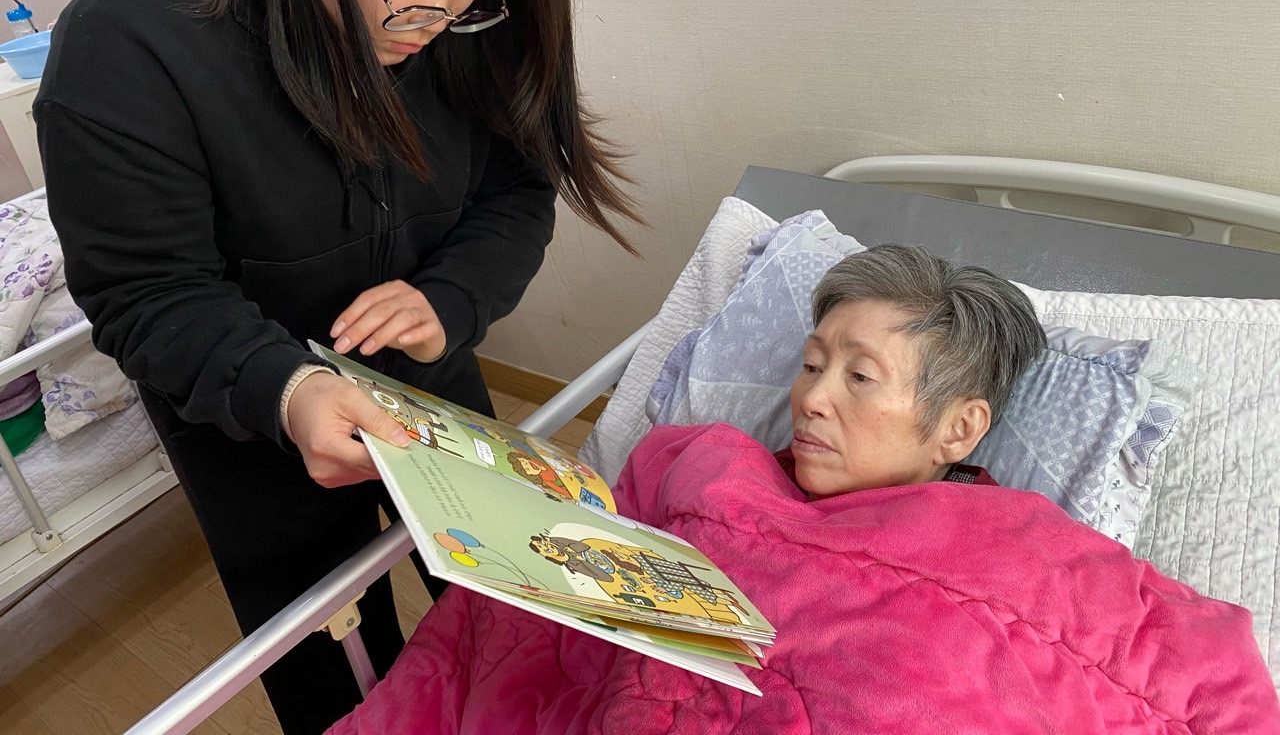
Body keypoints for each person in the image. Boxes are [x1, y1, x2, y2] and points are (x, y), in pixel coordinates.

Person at [34, 0, 639, 731]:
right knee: (337, 673)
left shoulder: (468, 18)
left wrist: (453, 296)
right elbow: (146, 291)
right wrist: (287, 389)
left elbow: (517, 189)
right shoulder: (127, 38)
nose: (436, 18)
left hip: (426, 381)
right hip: (246, 406)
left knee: (512, 621)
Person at [328, 246, 1279, 734]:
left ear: (959, 428)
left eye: (859, 377)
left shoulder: (1030, 544)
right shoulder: (707, 460)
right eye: (813, 363)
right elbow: (566, 580)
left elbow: (1196, 683)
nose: (812, 398)